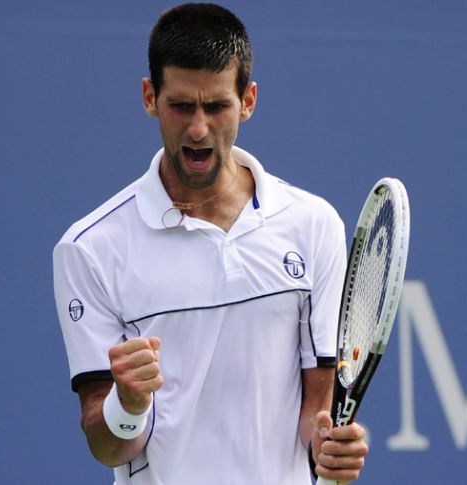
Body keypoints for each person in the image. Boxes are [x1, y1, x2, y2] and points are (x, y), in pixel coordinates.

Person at [53, 3, 369, 484]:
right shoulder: (89, 249)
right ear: (149, 97)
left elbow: (316, 411)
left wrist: (326, 449)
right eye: (181, 106)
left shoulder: (313, 225)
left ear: (248, 100)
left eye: (216, 106)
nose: (198, 129)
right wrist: (128, 402)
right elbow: (106, 444)